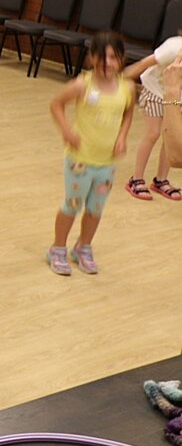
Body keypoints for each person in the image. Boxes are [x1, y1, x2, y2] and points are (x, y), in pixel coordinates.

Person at [47, 32, 132, 275]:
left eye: (113, 57)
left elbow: (128, 113)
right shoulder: (83, 84)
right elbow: (56, 104)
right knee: (72, 205)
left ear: (121, 59)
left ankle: (83, 247)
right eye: (102, 57)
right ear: (92, 58)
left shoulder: (126, 87)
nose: (108, 63)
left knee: (95, 209)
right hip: (80, 160)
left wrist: (122, 137)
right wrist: (66, 131)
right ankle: (58, 249)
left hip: (107, 162)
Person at [121, 25, 182, 201]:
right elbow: (145, 63)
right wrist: (122, 77)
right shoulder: (173, 47)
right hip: (154, 89)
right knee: (153, 133)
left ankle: (161, 180)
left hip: (175, 95)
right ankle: (136, 179)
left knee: (171, 136)